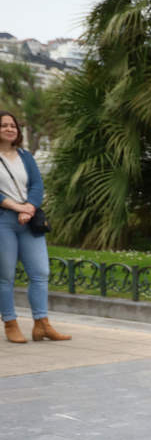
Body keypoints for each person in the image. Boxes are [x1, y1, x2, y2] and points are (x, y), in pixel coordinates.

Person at [0, 111, 69, 343]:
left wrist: (29, 207)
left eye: (13, 125)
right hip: (4, 221)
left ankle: (42, 324)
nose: (10, 129)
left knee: (41, 272)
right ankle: (10, 323)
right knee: (5, 276)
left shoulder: (25, 156)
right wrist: (18, 208)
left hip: (29, 221)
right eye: (4, 125)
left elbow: (38, 185)